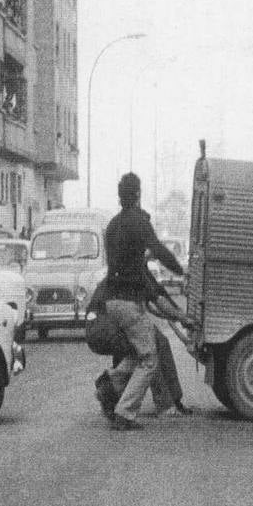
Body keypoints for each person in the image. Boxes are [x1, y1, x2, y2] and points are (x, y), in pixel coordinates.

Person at [95, 172, 190, 430]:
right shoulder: (139, 221)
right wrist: (180, 270)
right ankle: (124, 413)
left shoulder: (112, 225)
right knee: (149, 358)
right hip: (128, 302)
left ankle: (109, 383)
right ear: (138, 194)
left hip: (111, 301)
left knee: (142, 351)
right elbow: (158, 250)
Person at [88, 278, 191, 418]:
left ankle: (111, 388)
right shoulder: (136, 273)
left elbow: (154, 304)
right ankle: (165, 405)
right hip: (107, 328)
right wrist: (182, 317)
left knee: (158, 342)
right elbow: (158, 302)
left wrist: (176, 316)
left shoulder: (122, 274)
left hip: (98, 327)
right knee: (151, 349)